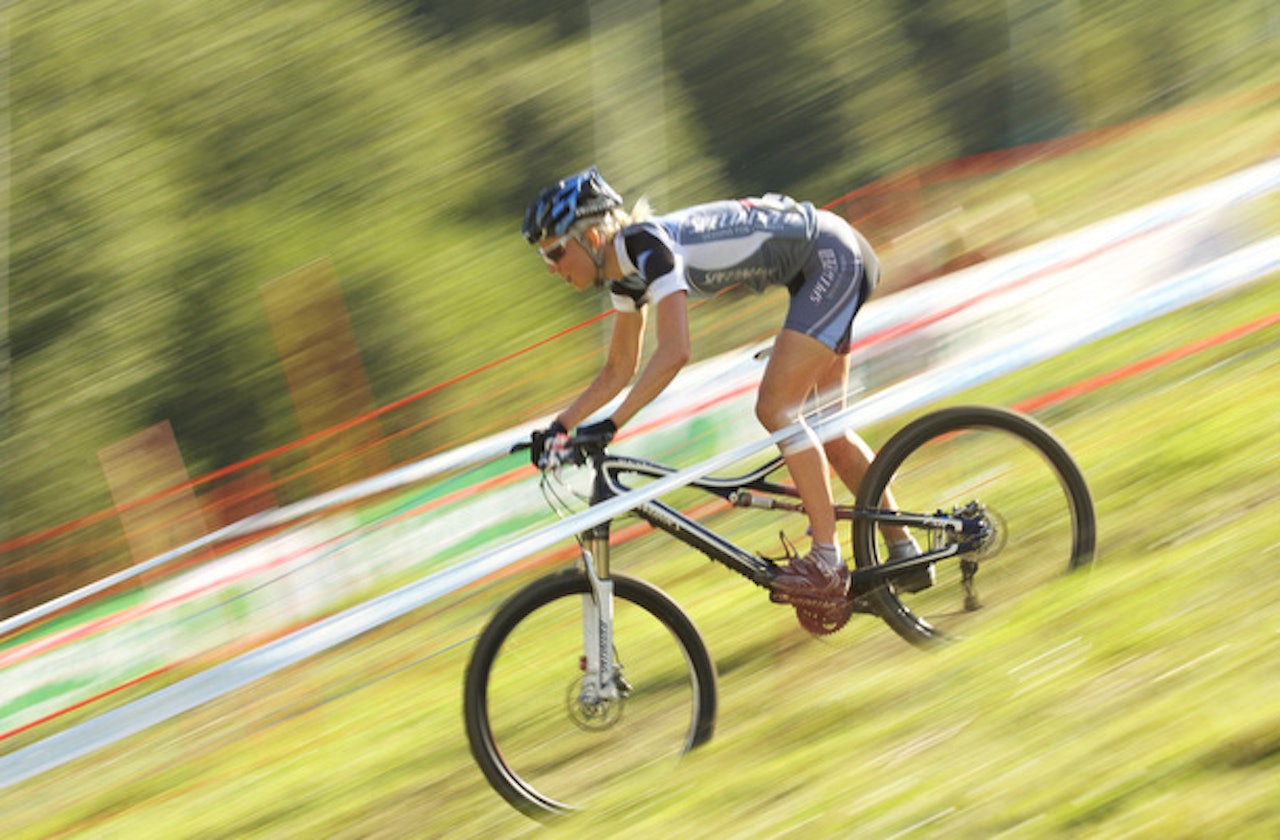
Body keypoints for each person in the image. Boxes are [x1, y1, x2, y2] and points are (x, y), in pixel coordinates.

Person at [523, 167, 928, 608]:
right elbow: (619, 368)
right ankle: (905, 551)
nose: (550, 269)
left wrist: (612, 423)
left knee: (776, 408)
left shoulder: (646, 246)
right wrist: (561, 426)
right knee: (828, 430)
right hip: (823, 261)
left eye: (556, 253)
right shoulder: (627, 275)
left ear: (593, 238)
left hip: (830, 257)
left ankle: (827, 559)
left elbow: (676, 350)